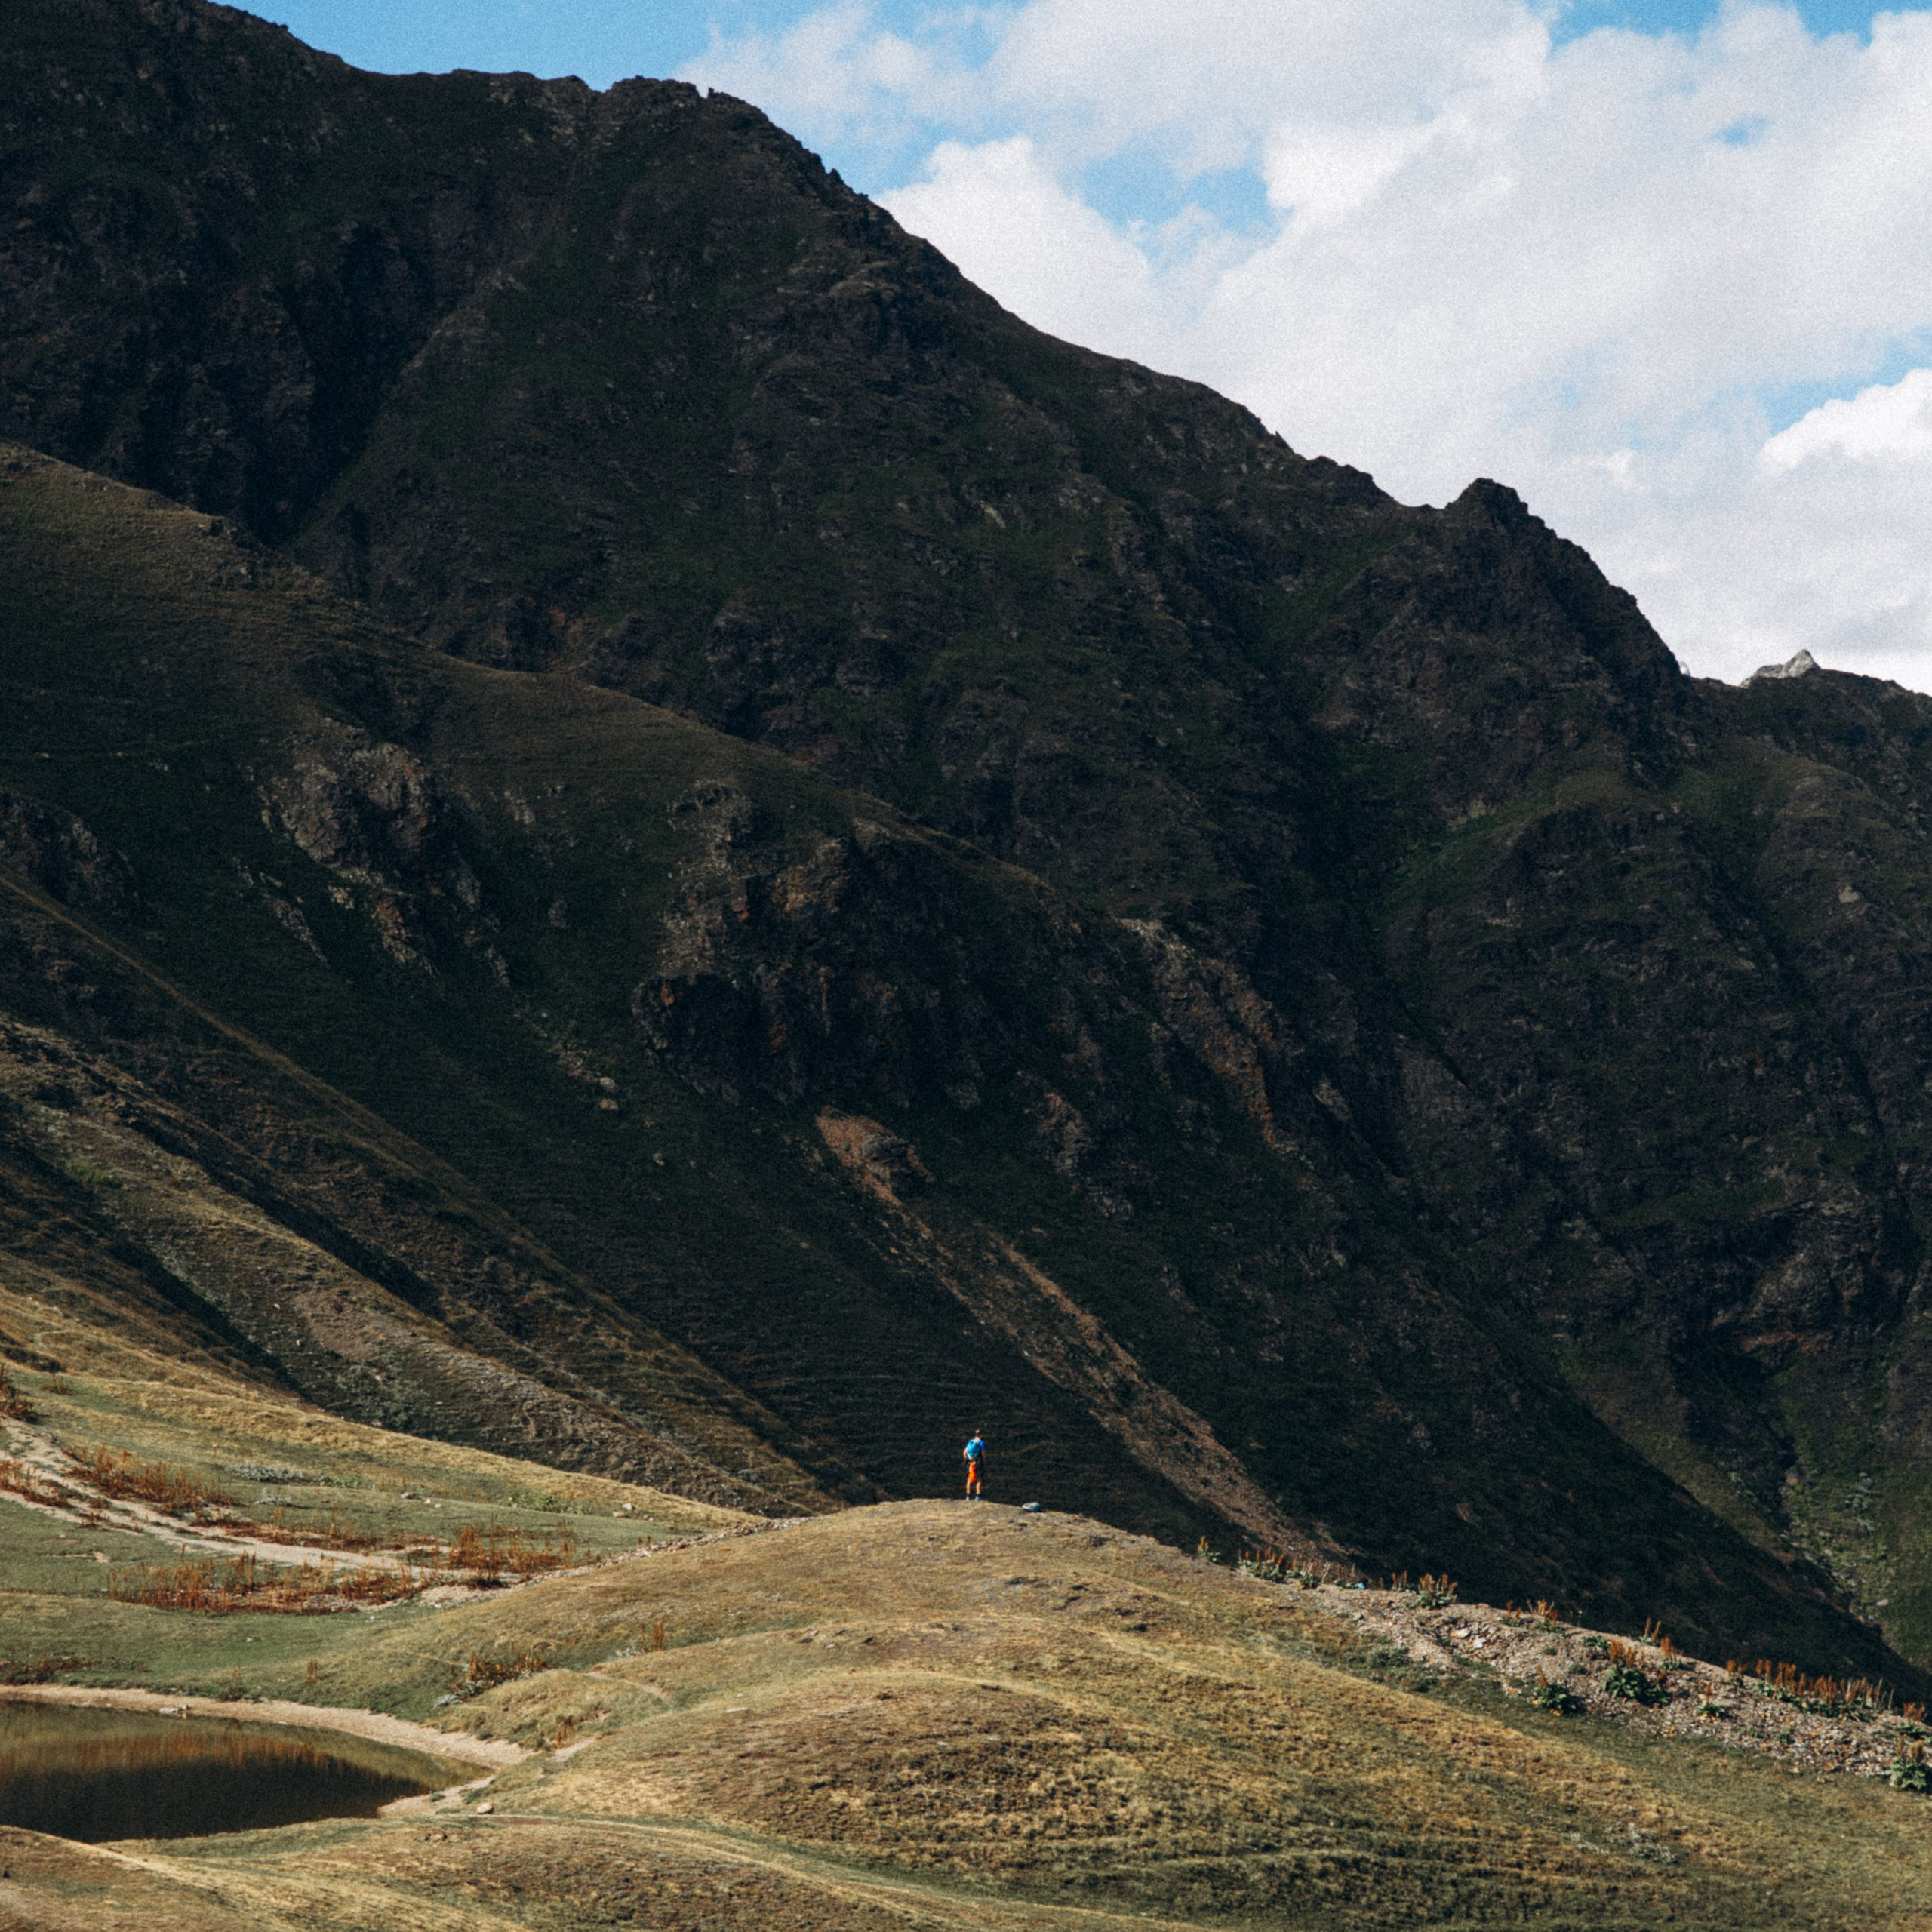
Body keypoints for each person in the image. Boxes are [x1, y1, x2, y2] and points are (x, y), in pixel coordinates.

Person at [963, 1429, 986, 1500]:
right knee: (979, 1479)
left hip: (970, 1462)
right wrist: (983, 1462)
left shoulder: (970, 1442)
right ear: (981, 1435)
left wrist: (969, 1460)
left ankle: (968, 1496)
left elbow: (964, 1453)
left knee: (969, 1479)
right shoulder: (981, 1443)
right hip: (978, 1462)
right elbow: (983, 1454)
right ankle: (978, 1496)